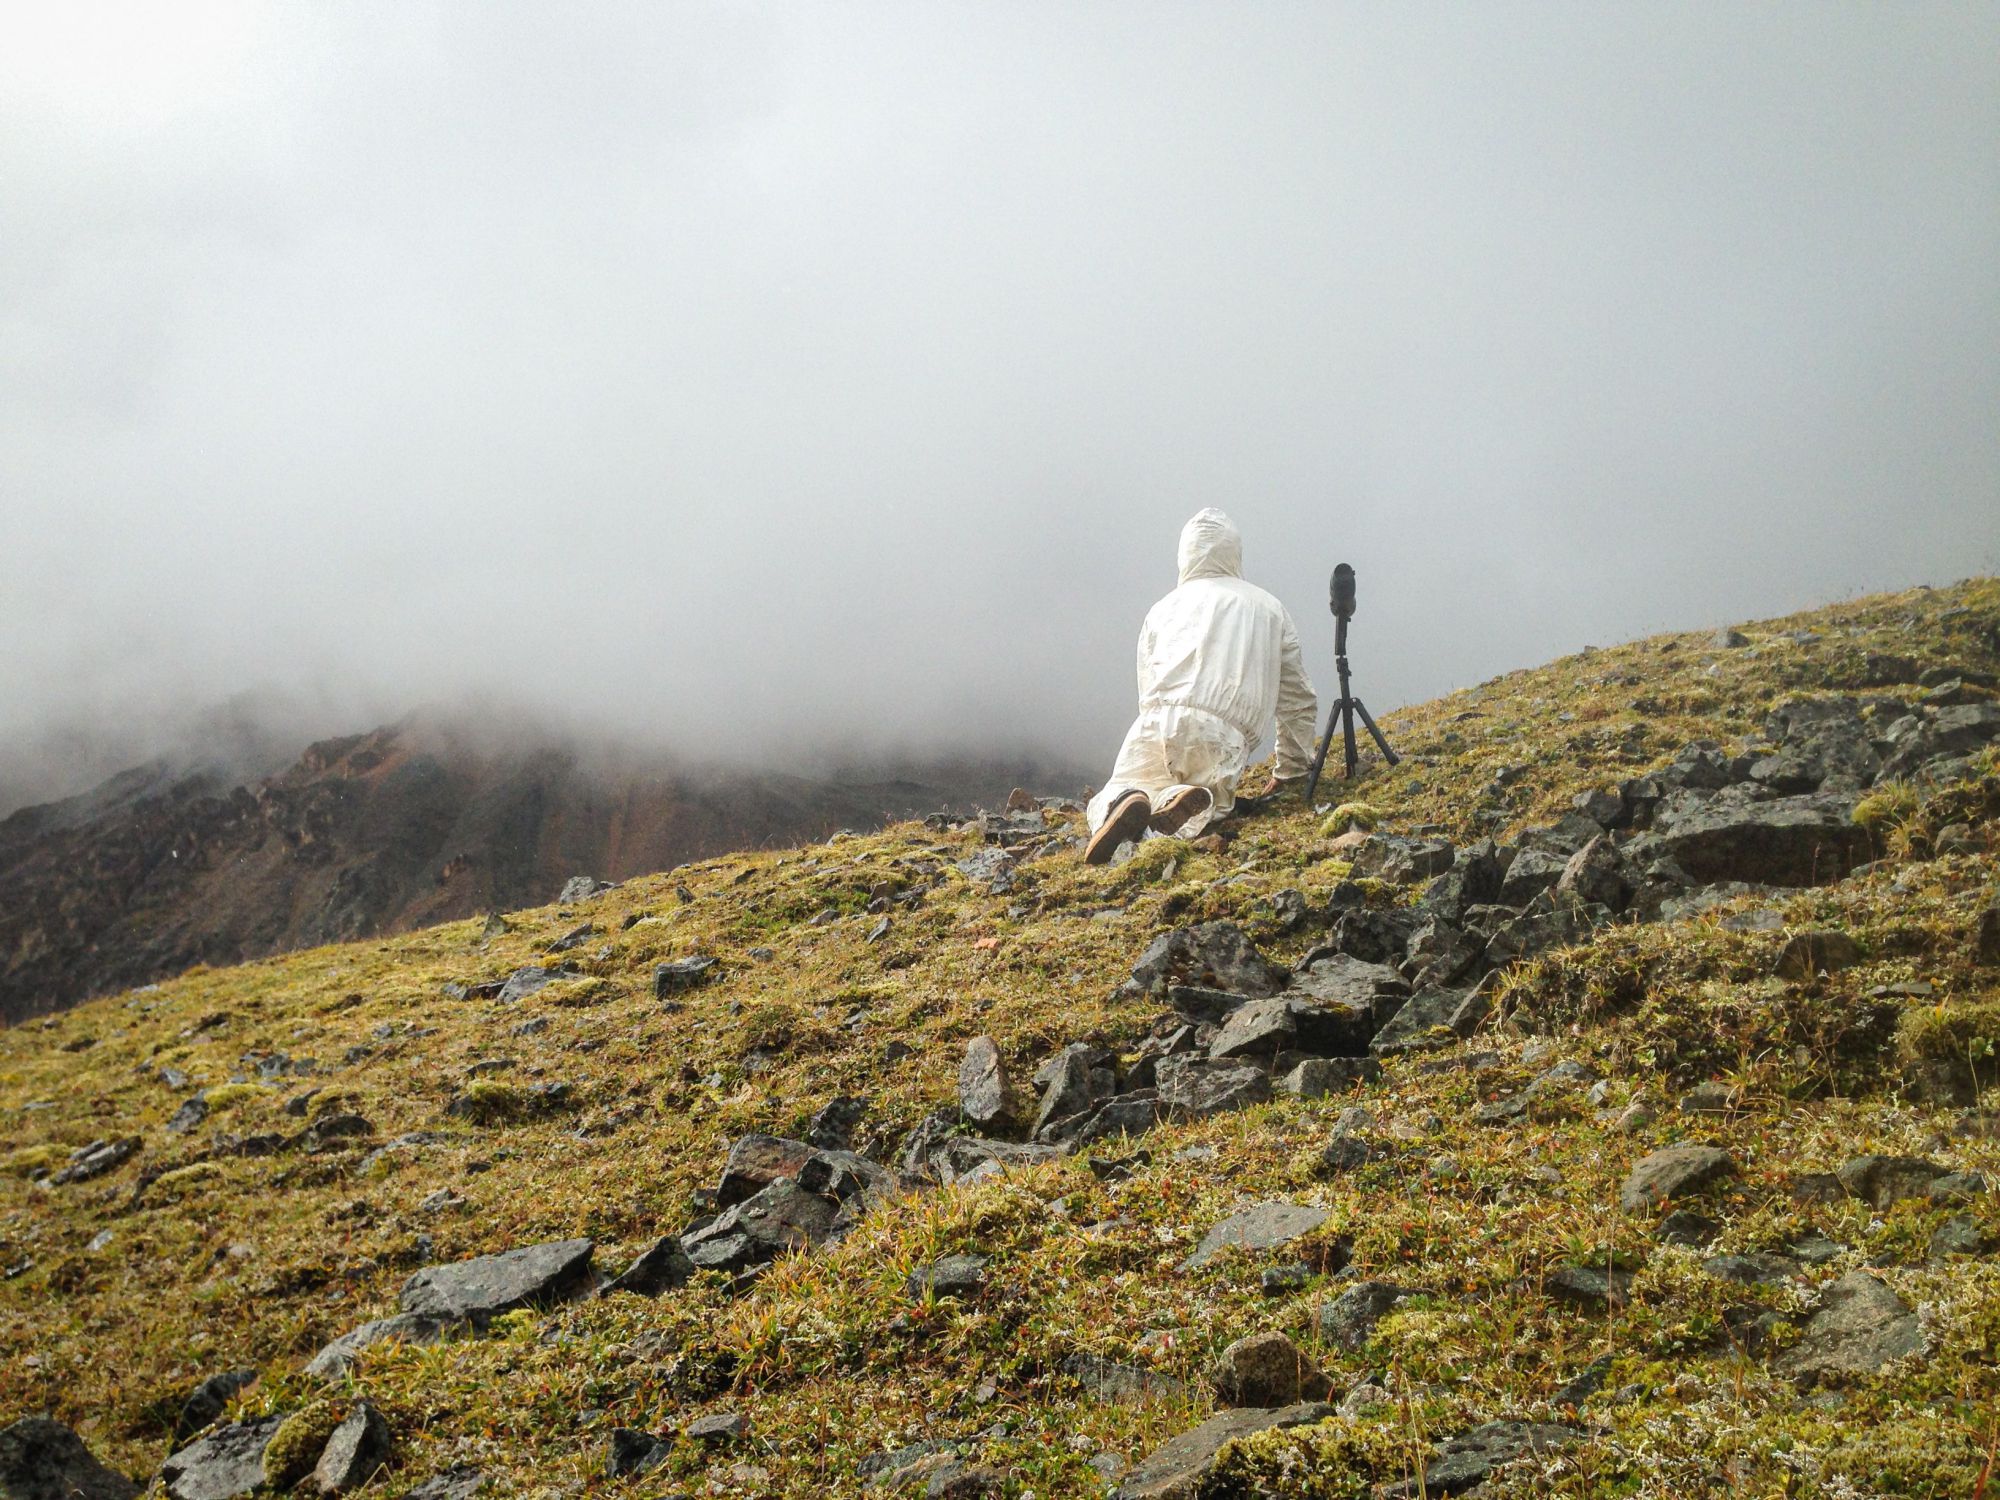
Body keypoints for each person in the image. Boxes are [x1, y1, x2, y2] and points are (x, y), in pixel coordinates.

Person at [1084, 509, 1318, 863]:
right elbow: (1296, 699)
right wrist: (1292, 769)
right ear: (1234, 553)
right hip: (1221, 731)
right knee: (1211, 798)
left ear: (1185, 554)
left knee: (1121, 788)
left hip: (1156, 721)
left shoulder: (1162, 609)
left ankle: (1123, 805)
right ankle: (1184, 806)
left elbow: (1147, 684)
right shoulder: (1269, 608)